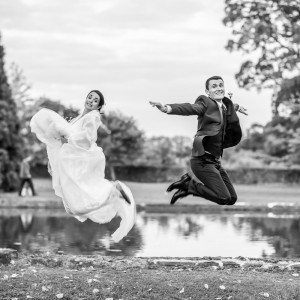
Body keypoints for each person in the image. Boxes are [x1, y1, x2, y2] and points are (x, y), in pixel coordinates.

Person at [30, 90, 136, 242]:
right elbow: (62, 137)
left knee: (76, 207)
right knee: (72, 206)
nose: (91, 101)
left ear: (98, 106)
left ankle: (113, 190)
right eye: (90, 97)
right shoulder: (79, 117)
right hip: (70, 159)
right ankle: (112, 191)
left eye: (95, 100)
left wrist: (69, 138)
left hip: (80, 159)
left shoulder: (93, 117)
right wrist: (53, 160)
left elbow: (87, 138)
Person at [150, 76, 247, 206]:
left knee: (232, 199)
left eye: (220, 85)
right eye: (214, 86)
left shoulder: (224, 107)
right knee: (224, 197)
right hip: (202, 161)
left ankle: (189, 186)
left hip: (215, 163)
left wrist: (237, 106)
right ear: (207, 92)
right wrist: (166, 108)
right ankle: (190, 186)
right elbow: (190, 108)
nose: (218, 88)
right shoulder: (205, 104)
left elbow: (228, 107)